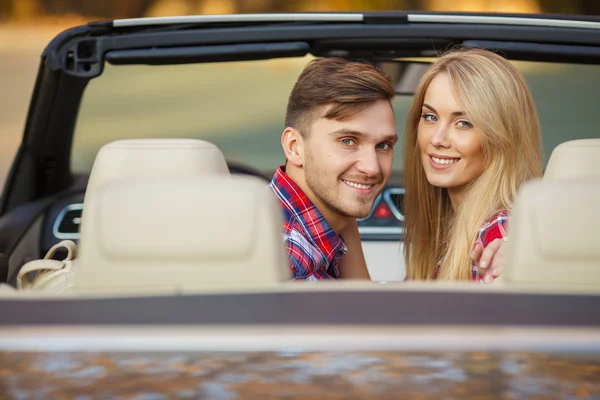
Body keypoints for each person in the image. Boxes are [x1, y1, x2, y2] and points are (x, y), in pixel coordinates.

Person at [402, 47, 543, 283]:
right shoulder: (450, 230)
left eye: (464, 123)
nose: (437, 139)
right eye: (430, 117)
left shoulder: (498, 232)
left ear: (501, 136)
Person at [270, 57, 397, 280]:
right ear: (295, 147)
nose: (372, 168)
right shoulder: (291, 263)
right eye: (348, 141)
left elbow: (365, 312)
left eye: (383, 145)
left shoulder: (323, 229)